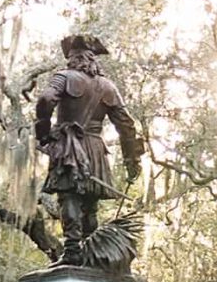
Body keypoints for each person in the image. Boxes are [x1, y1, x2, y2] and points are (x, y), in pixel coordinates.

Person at [35, 34, 144, 266]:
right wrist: (132, 160)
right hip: (95, 147)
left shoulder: (63, 77)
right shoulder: (108, 87)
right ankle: (89, 249)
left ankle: (73, 250)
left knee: (69, 196)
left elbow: (45, 100)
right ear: (93, 59)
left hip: (69, 144)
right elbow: (127, 125)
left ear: (73, 58)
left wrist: (43, 133)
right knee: (90, 203)